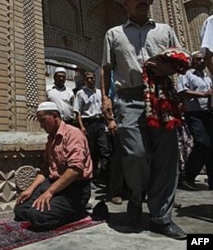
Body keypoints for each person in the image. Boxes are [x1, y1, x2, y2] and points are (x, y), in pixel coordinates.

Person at [100, 0, 187, 240]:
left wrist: (166, 68)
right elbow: (106, 69)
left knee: (165, 158)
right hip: (128, 100)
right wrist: (106, 100)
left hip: (161, 98)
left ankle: (161, 217)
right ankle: (136, 197)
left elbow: (182, 60)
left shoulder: (164, 30)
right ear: (124, 3)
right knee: (135, 154)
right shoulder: (114, 34)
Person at [14, 101, 93, 231]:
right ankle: (57, 206)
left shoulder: (73, 134)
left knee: (37, 217)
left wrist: (50, 192)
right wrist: (30, 189)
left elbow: (75, 170)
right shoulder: (51, 138)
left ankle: (78, 212)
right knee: (21, 210)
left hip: (75, 188)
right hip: (54, 183)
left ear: (55, 115)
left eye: (43, 121)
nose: (42, 125)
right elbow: (45, 169)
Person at [177, 51, 213, 190]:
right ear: (191, 61)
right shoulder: (186, 75)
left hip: (208, 113)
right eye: (198, 59)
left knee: (211, 145)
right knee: (202, 143)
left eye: (203, 59)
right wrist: (202, 94)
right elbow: (182, 92)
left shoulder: (207, 76)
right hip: (194, 113)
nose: (202, 62)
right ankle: (187, 176)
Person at [74, 71, 110, 188]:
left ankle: (104, 176)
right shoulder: (80, 93)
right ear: (84, 80)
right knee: (91, 151)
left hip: (100, 123)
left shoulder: (100, 93)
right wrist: (82, 127)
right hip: (88, 124)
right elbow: (77, 112)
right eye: (87, 78)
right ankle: (91, 178)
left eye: (92, 78)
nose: (90, 80)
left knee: (104, 150)